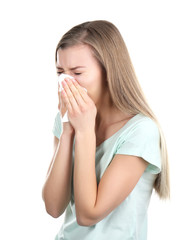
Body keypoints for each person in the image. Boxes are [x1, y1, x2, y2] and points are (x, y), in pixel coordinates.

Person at [42, 20, 170, 240]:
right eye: (60, 72)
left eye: (77, 73)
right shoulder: (68, 121)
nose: (65, 83)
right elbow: (53, 207)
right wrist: (67, 131)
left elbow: (88, 214)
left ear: (108, 72)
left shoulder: (141, 131)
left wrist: (84, 133)